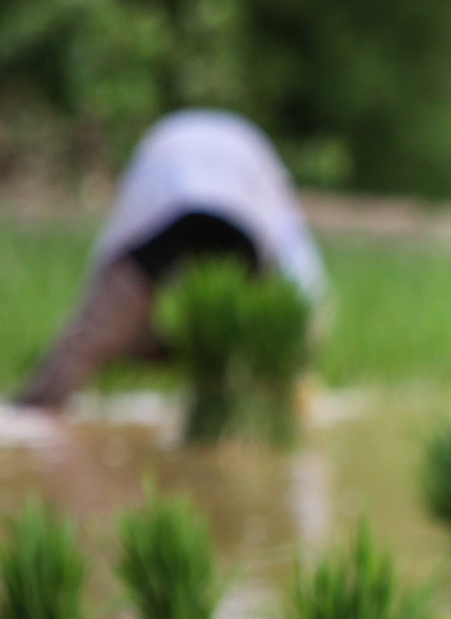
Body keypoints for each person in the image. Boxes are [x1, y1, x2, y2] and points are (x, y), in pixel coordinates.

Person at [16, 110, 327, 410]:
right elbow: (301, 271)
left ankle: (37, 410)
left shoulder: (190, 146)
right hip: (191, 206)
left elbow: (110, 263)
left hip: (182, 203)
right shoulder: (256, 169)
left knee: (91, 339)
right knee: (225, 342)